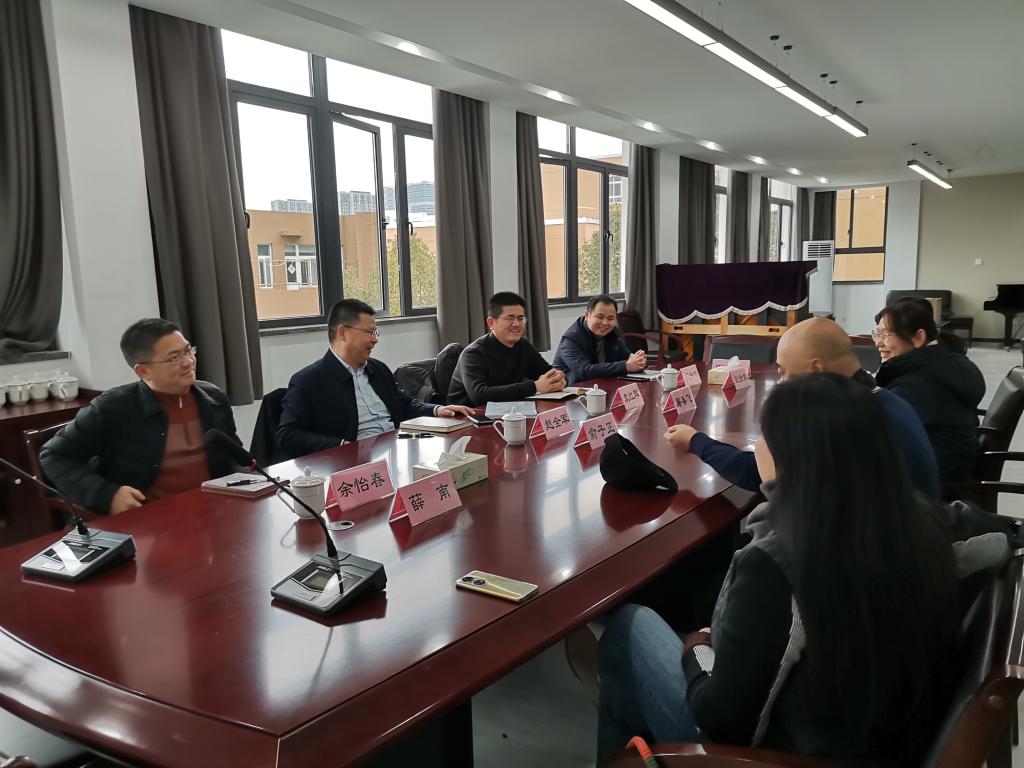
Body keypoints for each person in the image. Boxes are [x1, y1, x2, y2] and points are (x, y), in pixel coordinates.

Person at [597, 373, 958, 765]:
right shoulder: (923, 519)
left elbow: (721, 721)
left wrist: (696, 647)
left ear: (789, 454)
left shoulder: (778, 560)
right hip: (877, 732)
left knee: (627, 626)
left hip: (770, 754)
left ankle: (631, 756)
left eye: (763, 437)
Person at [665, 317, 940, 497]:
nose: (782, 383)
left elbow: (758, 473)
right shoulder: (889, 400)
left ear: (816, 369)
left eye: (785, 372)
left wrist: (696, 441)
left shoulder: (840, 422)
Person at [40, 318, 240, 514]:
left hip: (214, 509)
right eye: (174, 358)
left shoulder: (212, 398)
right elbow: (54, 456)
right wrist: (107, 495)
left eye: (188, 351)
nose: (189, 362)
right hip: (149, 518)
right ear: (144, 371)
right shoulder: (112, 408)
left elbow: (233, 454)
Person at [277, 299, 474, 458]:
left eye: (375, 332)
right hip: (353, 464)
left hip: (395, 450)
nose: (375, 339)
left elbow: (403, 404)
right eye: (369, 332)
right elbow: (288, 435)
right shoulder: (309, 380)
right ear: (342, 332)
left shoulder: (377, 369)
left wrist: (437, 410)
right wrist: (343, 446)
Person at [873, 298, 985, 484]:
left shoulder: (918, 383)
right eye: (877, 333)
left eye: (886, 334)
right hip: (948, 461)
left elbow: (880, 428)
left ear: (918, 338)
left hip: (933, 475)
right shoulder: (945, 361)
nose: (878, 342)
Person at [447, 291, 566, 406]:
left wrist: (559, 379)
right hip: (468, 415)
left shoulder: (523, 346)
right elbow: (479, 395)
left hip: (509, 410)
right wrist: (535, 387)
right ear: (491, 323)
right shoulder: (473, 353)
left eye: (520, 318)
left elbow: (547, 372)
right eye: (510, 318)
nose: (517, 324)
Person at [552, 295, 647, 385]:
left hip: (602, 386)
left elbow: (625, 356)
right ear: (587, 315)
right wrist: (626, 366)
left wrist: (637, 359)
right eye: (600, 317)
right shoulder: (570, 340)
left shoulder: (612, 332)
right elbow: (584, 371)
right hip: (573, 390)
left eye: (610, 318)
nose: (605, 323)